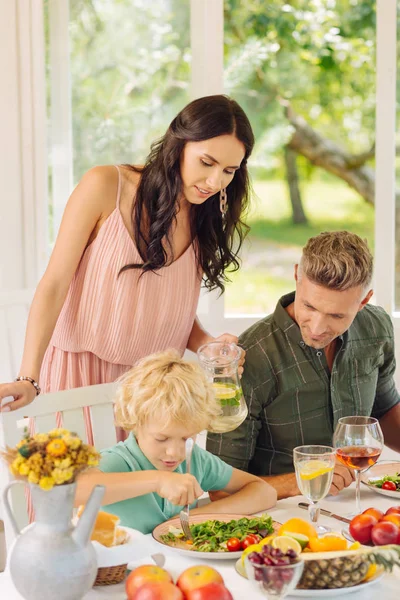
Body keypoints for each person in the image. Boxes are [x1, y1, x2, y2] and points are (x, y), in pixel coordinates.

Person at [0, 95, 253, 437]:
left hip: (151, 391)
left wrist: (207, 343)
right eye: (206, 162)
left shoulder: (204, 214)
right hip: (78, 374)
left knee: (146, 490)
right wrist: (28, 377)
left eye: (228, 171)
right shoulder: (105, 186)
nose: (214, 182)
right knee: (68, 487)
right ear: (178, 144)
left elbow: (162, 301)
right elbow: (55, 283)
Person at [207, 231, 400, 500]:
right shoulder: (249, 359)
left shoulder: (376, 327)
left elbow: (385, 409)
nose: (318, 328)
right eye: (309, 306)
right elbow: (219, 486)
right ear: (297, 276)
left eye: (336, 315)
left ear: (364, 301)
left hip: (354, 506)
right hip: (276, 514)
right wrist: (306, 480)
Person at [75, 350, 277, 534]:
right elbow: (73, 492)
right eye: (161, 438)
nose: (174, 452)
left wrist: (199, 516)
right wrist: (158, 480)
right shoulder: (116, 463)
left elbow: (265, 492)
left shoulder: (195, 459)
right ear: (136, 423)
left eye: (187, 437)